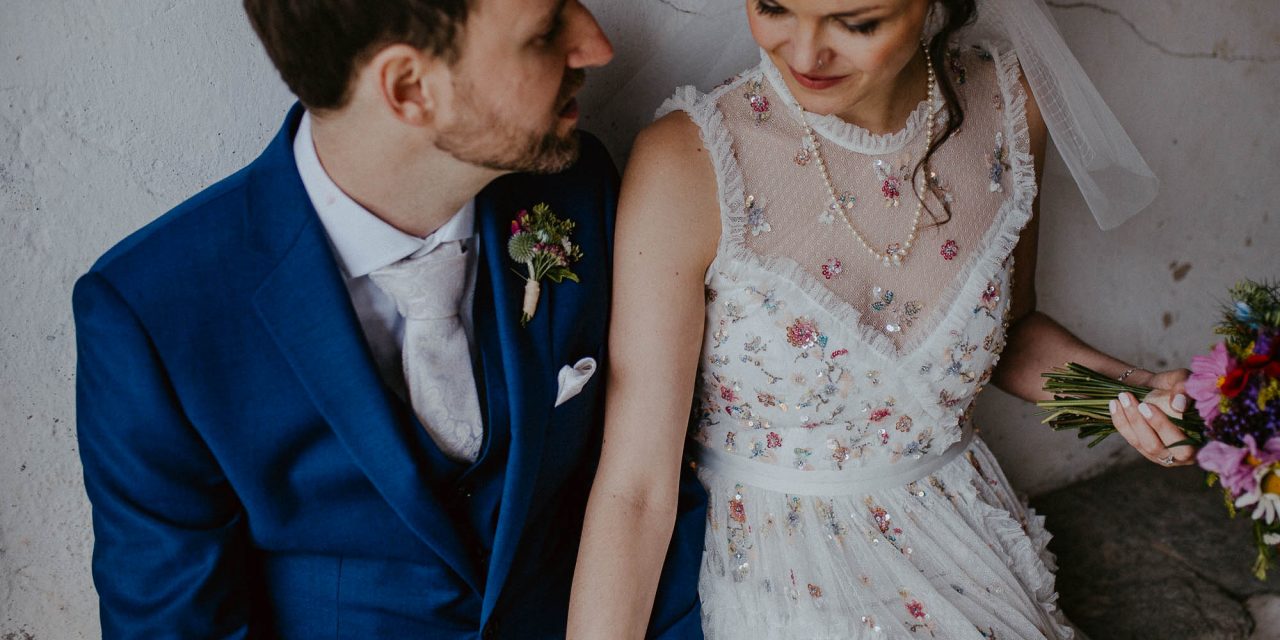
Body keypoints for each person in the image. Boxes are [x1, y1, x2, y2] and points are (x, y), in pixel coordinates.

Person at [72, 0, 706, 637]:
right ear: (408, 88)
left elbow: (658, 483)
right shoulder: (156, 317)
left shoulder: (577, 186)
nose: (595, 46)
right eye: (544, 33)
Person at [568, 0, 1189, 637]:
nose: (805, 54)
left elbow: (1009, 334)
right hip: (775, 570)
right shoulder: (691, 160)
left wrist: (1131, 393)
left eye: (856, 22)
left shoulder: (1009, 106)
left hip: (961, 542)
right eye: (774, 6)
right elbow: (635, 491)